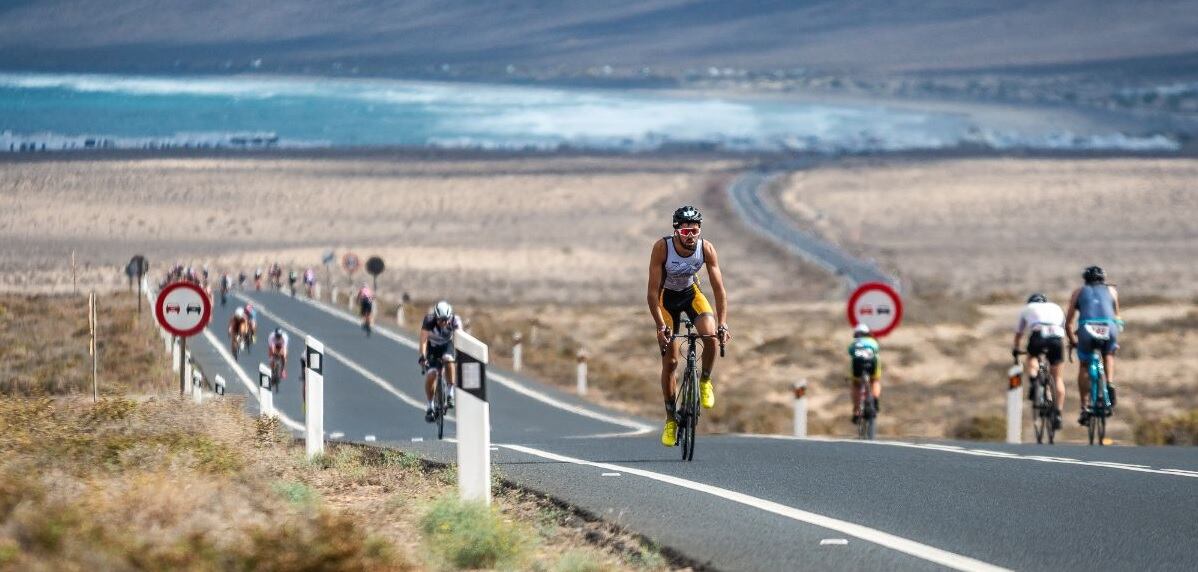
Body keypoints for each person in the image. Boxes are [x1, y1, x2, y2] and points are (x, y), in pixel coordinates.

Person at [646, 205, 730, 448]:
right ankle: (671, 418)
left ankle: (704, 379)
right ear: (676, 232)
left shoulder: (706, 249)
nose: (691, 236)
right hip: (666, 299)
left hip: (690, 293)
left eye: (694, 231)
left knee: (710, 336)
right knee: (671, 362)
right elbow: (652, 294)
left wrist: (723, 323)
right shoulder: (663, 248)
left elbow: (719, 291)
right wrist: (661, 327)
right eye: (685, 232)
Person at [1065, 266, 1121, 425]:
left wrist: (1073, 341)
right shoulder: (1112, 291)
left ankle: (1084, 407)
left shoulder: (1078, 292)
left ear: (1085, 280)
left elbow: (1068, 323)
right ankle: (1109, 383)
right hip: (1109, 327)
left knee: (1084, 365)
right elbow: (1117, 318)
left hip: (1086, 328)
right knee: (1108, 354)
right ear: (1103, 279)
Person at [1013, 292, 1066, 430]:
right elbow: (1063, 327)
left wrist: (1016, 349)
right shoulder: (1056, 307)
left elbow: (1019, 333)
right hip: (1056, 338)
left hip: (1038, 336)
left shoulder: (1028, 308)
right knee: (1057, 378)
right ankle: (1058, 413)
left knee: (1031, 357)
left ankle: (1033, 381)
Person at [419, 301, 462, 422]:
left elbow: (461, 338)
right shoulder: (429, 320)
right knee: (431, 374)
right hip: (432, 348)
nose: (443, 323)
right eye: (440, 320)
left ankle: (450, 393)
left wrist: (460, 355)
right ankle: (430, 405)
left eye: (445, 320)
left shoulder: (455, 320)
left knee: (449, 360)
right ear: (435, 317)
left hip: (446, 345)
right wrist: (422, 356)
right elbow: (423, 340)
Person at [847, 323, 882, 424]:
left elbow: (850, 352)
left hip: (857, 364)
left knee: (855, 384)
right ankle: (875, 399)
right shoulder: (873, 342)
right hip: (872, 363)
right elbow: (877, 350)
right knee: (875, 381)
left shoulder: (854, 342)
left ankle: (857, 412)